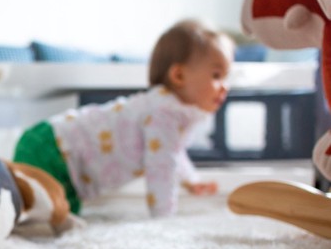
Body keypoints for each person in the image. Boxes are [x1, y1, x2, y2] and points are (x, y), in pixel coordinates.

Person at [13, 19, 234, 217]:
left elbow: (173, 153)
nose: (225, 86)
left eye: (226, 77)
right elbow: (162, 168)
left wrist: (191, 180)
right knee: (37, 210)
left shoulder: (167, 109)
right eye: (216, 75)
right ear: (178, 75)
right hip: (52, 150)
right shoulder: (164, 113)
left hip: (57, 148)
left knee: (61, 213)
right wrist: (165, 218)